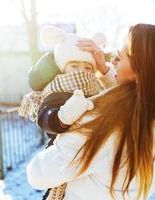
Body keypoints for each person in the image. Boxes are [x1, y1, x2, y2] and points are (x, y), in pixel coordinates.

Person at [27, 24, 155, 200]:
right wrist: (104, 72)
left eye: (119, 58)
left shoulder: (103, 124)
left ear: (141, 70)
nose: (112, 61)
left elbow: (38, 174)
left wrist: (61, 134)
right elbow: (138, 98)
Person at [18, 25, 108, 199]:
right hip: (59, 154)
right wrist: (63, 117)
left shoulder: (98, 91)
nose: (81, 71)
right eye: (74, 65)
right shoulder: (56, 90)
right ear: (62, 68)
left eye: (87, 67)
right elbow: (44, 117)